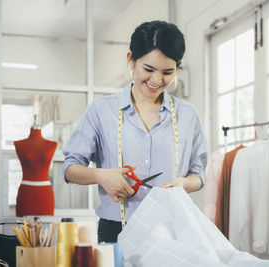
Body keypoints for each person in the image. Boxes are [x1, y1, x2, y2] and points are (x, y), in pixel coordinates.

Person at [63, 20, 208, 243]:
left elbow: (198, 172)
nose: (157, 80)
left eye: (168, 72)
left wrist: (184, 184)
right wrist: (101, 176)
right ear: (131, 60)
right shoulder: (101, 111)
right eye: (148, 69)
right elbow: (70, 168)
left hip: (173, 228)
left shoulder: (188, 115)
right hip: (115, 229)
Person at [15, 122, 57, 216]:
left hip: (45, 194)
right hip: (26, 193)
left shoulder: (52, 144)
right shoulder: (19, 144)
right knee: (23, 228)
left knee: (46, 229)